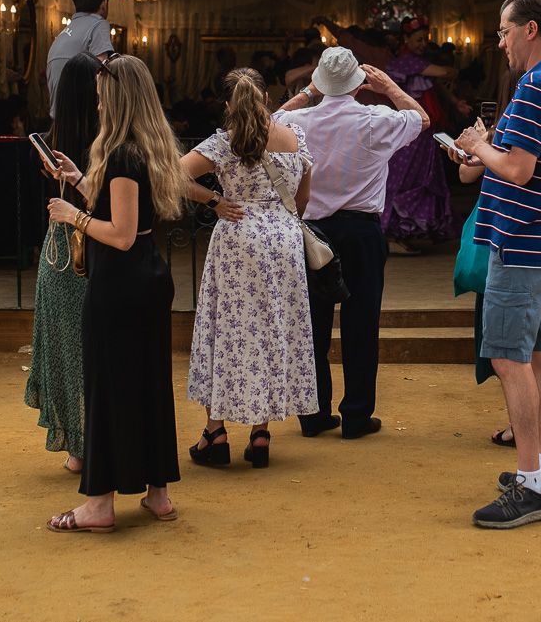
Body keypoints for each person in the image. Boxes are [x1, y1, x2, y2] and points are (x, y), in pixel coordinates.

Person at [451, 0, 541, 529]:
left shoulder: (535, 86)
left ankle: (529, 483)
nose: (500, 42)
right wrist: (484, 149)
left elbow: (520, 169)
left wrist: (479, 148)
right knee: (539, 355)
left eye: (504, 31)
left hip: (522, 240)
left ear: (530, 29)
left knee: (509, 358)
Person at [43, 53, 186, 531]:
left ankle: (99, 504)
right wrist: (81, 182)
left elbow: (121, 234)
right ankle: (158, 494)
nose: (98, 104)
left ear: (118, 98)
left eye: (104, 96)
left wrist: (72, 215)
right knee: (149, 384)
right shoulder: (143, 148)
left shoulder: (123, 153)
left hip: (120, 282)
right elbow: (132, 220)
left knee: (107, 386)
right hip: (147, 278)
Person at [275, 48, 426, 439]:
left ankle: (313, 414)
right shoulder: (376, 120)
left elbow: (267, 121)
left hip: (313, 232)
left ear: (321, 82)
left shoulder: (298, 120)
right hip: (361, 231)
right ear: (359, 84)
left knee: (312, 325)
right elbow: (420, 119)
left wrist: (308, 92)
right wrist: (389, 85)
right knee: (361, 324)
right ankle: (356, 416)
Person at [180, 68, 319, 469]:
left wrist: (214, 200)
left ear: (228, 105)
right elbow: (303, 198)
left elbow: (171, 174)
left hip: (238, 236)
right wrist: (280, 222)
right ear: (267, 98)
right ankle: (260, 433)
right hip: (284, 241)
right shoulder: (294, 139)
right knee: (271, 328)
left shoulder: (224, 143)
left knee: (229, 330)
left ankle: (215, 431)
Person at [25, 53, 102, 474]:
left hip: (58, 247)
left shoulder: (57, 137)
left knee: (66, 350)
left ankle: (75, 443)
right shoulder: (106, 143)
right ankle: (94, 436)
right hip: (93, 243)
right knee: (92, 349)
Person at [380, 17, 458, 251]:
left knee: (423, 178)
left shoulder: (419, 63)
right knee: (402, 178)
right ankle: (391, 232)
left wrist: (456, 103)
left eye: (425, 39)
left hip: (425, 134)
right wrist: (450, 69)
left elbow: (437, 86)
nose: (423, 43)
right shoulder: (406, 62)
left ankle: (411, 231)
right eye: (418, 39)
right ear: (406, 40)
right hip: (410, 133)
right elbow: (445, 73)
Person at [45, 0, 113, 115]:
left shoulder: (64, 33)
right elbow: (101, 72)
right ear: (104, 4)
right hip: (80, 117)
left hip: (58, 116)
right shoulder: (99, 24)